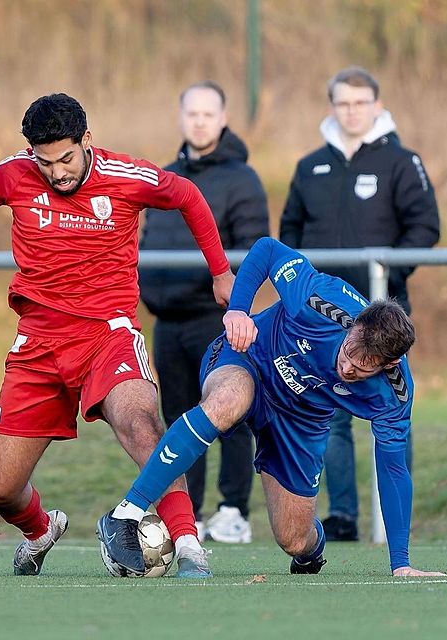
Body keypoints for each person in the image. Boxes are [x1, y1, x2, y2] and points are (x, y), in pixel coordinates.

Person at [0, 93, 233, 577]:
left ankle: (190, 545)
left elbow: (188, 197)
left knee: (141, 423)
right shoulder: (15, 173)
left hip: (107, 334)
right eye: (45, 162)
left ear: (87, 140)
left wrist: (220, 272)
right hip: (39, 344)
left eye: (65, 158)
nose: (57, 172)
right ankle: (40, 529)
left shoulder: (125, 177)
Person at [98, 237, 445, 577]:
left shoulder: (394, 395)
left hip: (301, 419)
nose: (349, 365)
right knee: (226, 401)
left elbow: (394, 470)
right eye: (351, 348)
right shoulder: (317, 298)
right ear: (356, 324)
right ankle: (127, 512)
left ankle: (312, 551)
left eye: (365, 364)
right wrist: (238, 311)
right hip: (251, 357)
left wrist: (401, 563)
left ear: (390, 363)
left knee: (295, 539)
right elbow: (267, 249)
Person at [279, 67, 440, 542]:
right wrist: (303, 286)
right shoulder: (310, 166)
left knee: (391, 412)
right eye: (343, 103)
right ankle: (343, 515)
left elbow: (425, 228)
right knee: (331, 415)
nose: (351, 111)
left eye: (360, 102)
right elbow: (289, 230)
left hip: (382, 318)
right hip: (324, 324)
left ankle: (396, 526)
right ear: (332, 106)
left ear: (376, 104)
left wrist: (388, 280)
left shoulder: (401, 162)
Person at [139, 81, 268, 543]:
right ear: (180, 117)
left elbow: (253, 252)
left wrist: (236, 303)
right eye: (191, 113)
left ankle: (233, 510)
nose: (198, 121)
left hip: (215, 319)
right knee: (176, 417)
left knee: (228, 412)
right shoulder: (165, 175)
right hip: (167, 322)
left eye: (207, 114)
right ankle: (186, 513)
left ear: (223, 118)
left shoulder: (242, 179)